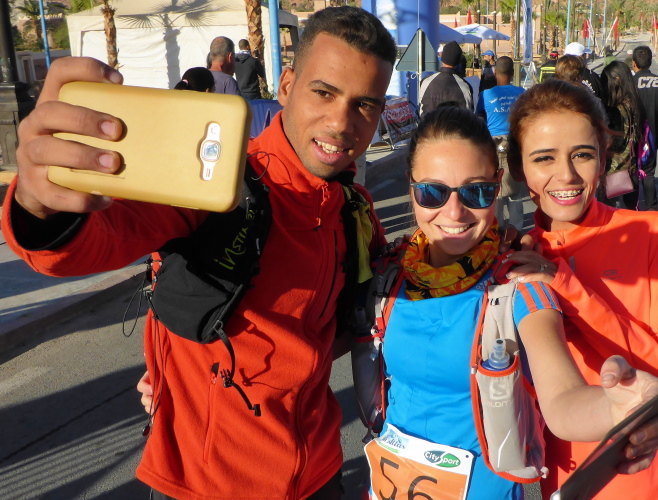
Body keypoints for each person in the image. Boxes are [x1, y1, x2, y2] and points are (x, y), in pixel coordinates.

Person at [2, 6, 396, 500]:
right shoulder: (216, 183)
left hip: (319, 475)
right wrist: (40, 204)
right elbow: (94, 241)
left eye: (365, 104)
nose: (341, 122)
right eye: (324, 92)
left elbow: (355, 325)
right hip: (206, 486)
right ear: (287, 86)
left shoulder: (354, 208)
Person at [362, 106, 658, 499]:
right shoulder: (390, 275)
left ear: (498, 186)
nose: (454, 212)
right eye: (432, 192)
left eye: (476, 191)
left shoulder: (518, 284)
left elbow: (562, 400)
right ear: (411, 188)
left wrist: (620, 408)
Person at [504, 80, 658, 499]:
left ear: (603, 156)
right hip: (560, 473)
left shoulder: (652, 233)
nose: (567, 175)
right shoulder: (513, 257)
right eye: (544, 158)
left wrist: (567, 287)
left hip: (649, 477)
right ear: (519, 169)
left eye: (582, 154)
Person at [476, 56, 527, 229]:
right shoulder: (522, 93)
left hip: (493, 144)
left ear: (495, 71)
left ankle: (496, 230)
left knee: (496, 188)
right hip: (514, 143)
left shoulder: (485, 95)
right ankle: (516, 231)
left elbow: (479, 116)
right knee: (515, 191)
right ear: (513, 73)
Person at [598, 60, 645, 209]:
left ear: (617, 80)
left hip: (615, 169)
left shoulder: (618, 109)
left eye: (606, 82)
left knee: (606, 211)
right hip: (630, 166)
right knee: (629, 210)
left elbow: (616, 140)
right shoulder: (633, 102)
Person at [632, 45, 658, 210]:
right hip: (652, 136)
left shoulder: (631, 82)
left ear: (634, 63)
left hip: (632, 135)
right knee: (649, 173)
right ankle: (651, 208)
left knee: (632, 171)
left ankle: (632, 207)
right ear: (650, 62)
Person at [418, 40, 474, 116]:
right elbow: (468, 114)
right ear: (458, 62)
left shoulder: (426, 81)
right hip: (453, 123)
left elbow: (421, 107)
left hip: (429, 123)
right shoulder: (465, 86)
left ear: (442, 58)